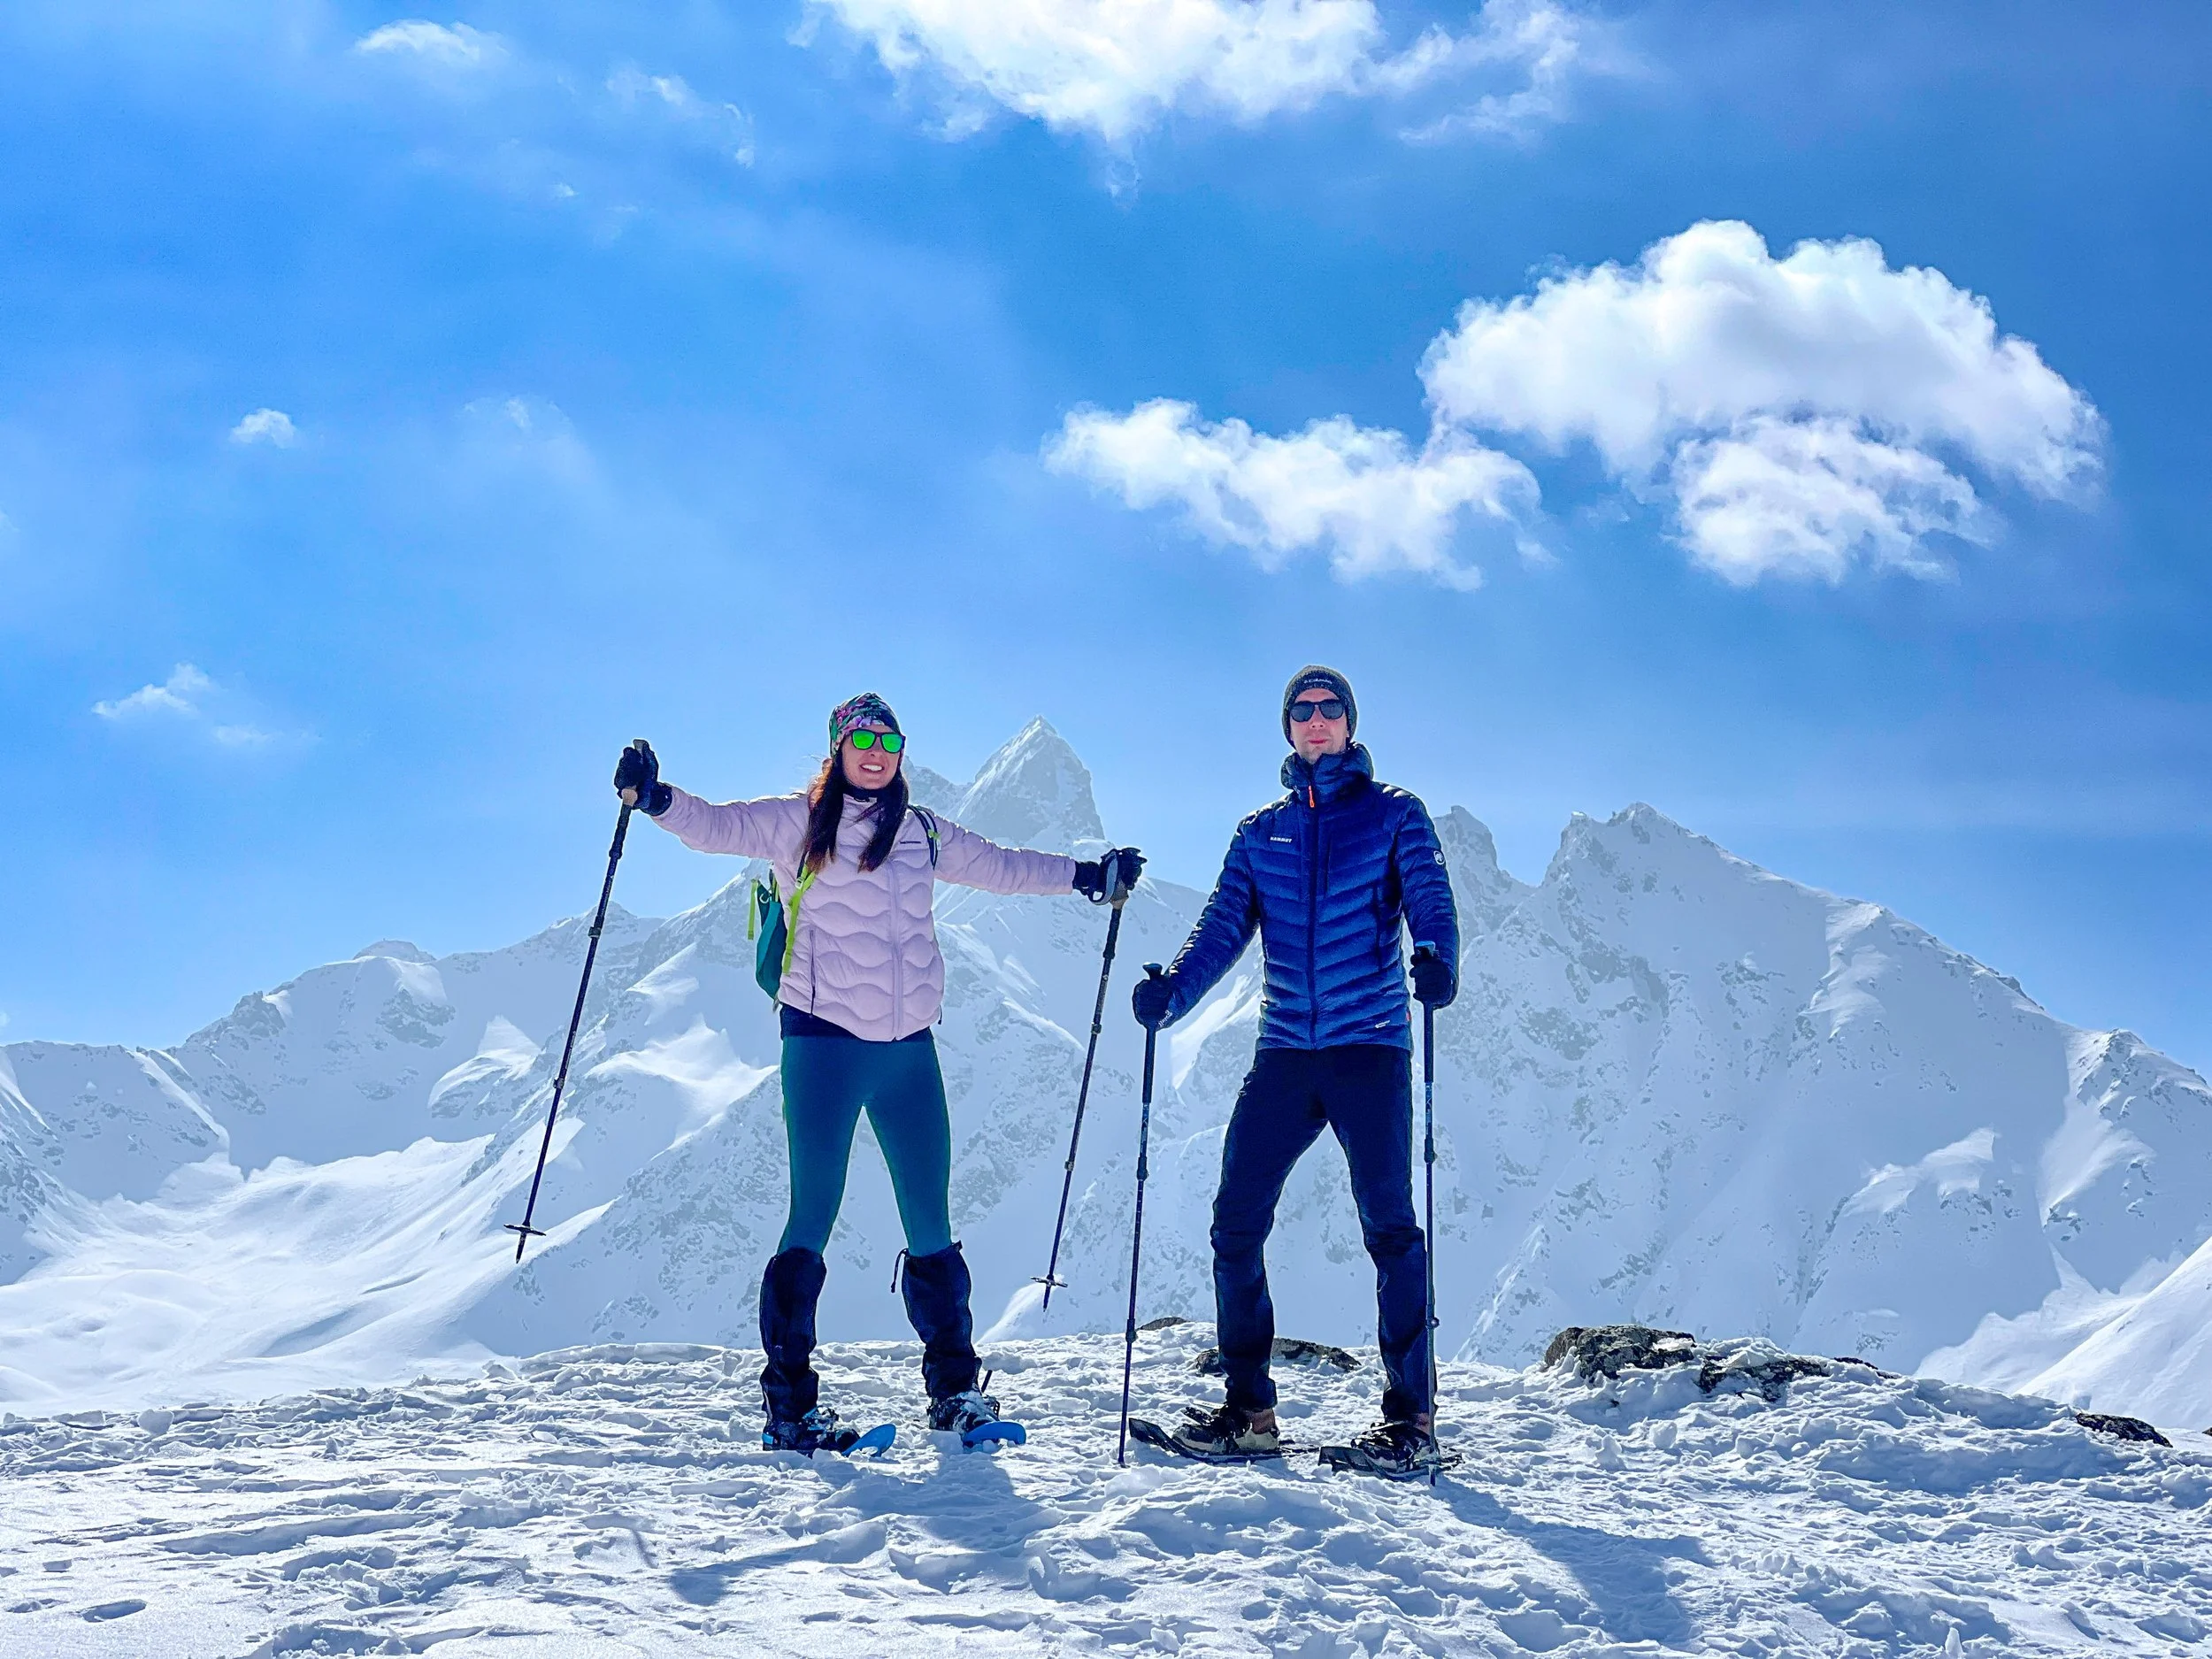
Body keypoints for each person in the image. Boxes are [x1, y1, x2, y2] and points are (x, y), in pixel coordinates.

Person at [615, 693, 1143, 1453]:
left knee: (931, 1225)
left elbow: (1002, 865)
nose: (876, 750)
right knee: (812, 1219)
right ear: (836, 746)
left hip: (907, 1053)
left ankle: (957, 1391)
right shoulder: (794, 821)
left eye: (889, 739)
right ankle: (790, 1410)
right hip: (824, 1045)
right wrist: (655, 796)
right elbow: (717, 825)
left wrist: (1088, 874)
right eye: (861, 738)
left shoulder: (922, 830)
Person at [1132, 666, 1458, 1476]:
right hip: (1284, 1047)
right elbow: (1219, 929)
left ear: (1350, 723)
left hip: (1370, 1043)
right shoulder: (1259, 832)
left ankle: (1411, 1421)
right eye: (1302, 710)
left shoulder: (1395, 815)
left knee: (1390, 1229)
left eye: (1330, 709)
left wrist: (1437, 957)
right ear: (1287, 728)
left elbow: (1431, 896)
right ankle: (1249, 1412)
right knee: (1235, 1222)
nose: (1317, 721)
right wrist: (1172, 988)